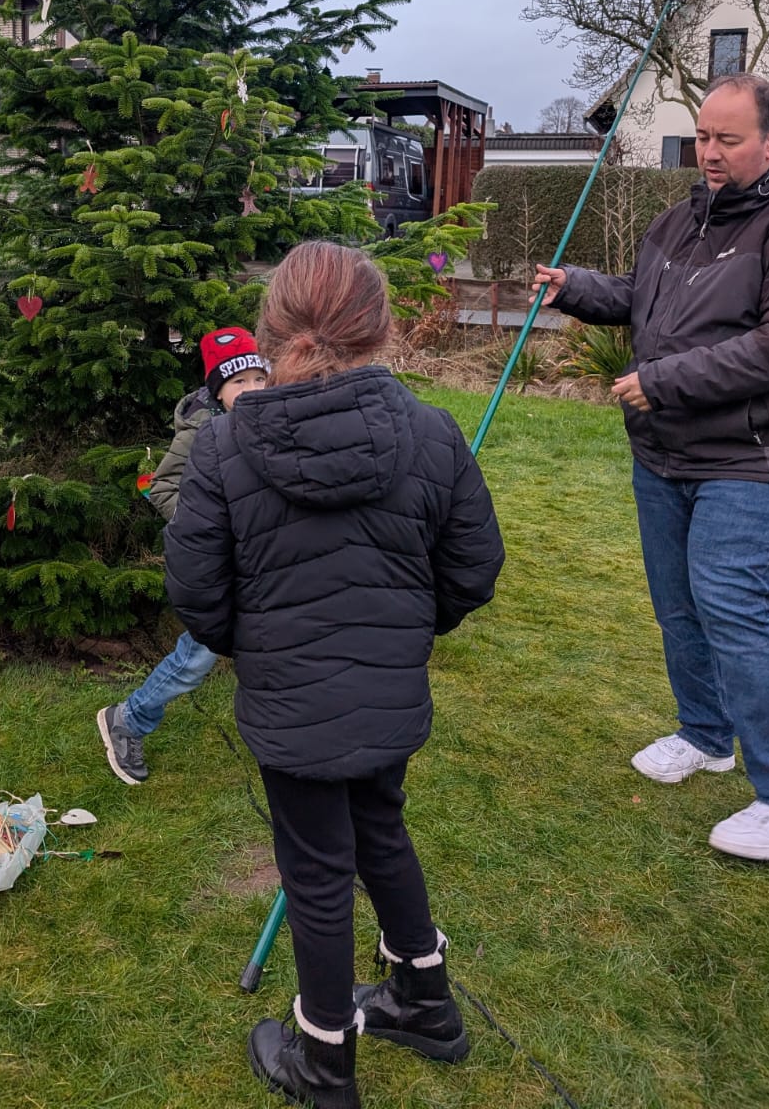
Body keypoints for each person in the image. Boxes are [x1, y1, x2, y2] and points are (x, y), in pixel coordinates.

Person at [166, 241, 505, 1109]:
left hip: (301, 700)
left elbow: (199, 597)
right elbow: (469, 571)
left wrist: (294, 643)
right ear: (379, 328)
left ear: (273, 328)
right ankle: (423, 1001)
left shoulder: (228, 446)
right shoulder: (428, 433)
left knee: (321, 869)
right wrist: (386, 634)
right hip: (359, 692)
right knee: (377, 831)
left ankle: (329, 1058)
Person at [534, 72, 769, 864]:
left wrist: (663, 381)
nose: (708, 154)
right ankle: (706, 735)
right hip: (663, 452)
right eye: (703, 137)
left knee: (735, 608)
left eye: (727, 140)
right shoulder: (681, 218)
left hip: (751, 457)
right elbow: (645, 298)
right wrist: (575, 287)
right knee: (678, 605)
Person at [97, 327, 268, 784]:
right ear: (217, 388)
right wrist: (210, 529)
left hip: (263, 560)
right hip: (220, 565)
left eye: (258, 380)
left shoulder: (270, 420)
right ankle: (127, 720)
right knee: (197, 658)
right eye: (238, 383)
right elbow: (162, 488)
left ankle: (282, 735)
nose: (251, 391)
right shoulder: (201, 431)